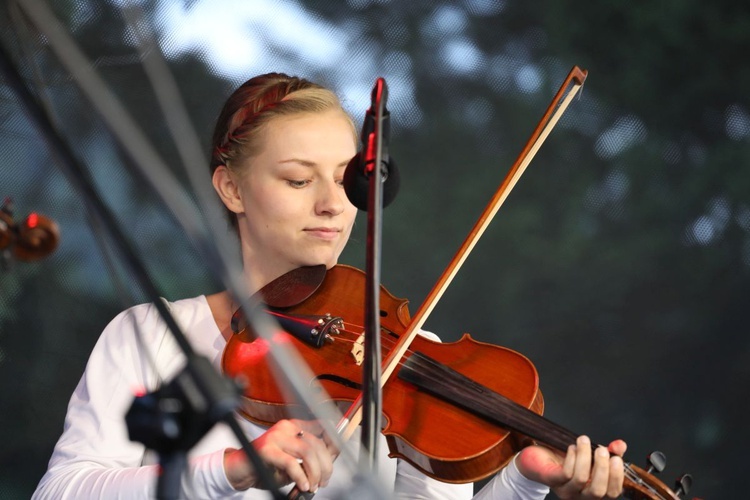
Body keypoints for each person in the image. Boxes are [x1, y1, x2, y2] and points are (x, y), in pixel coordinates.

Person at [33, 73, 626, 499]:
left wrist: (523, 484)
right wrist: (237, 468)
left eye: (347, 180)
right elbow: (61, 491)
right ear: (231, 190)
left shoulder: (405, 349)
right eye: (297, 179)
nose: (330, 205)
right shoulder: (149, 335)